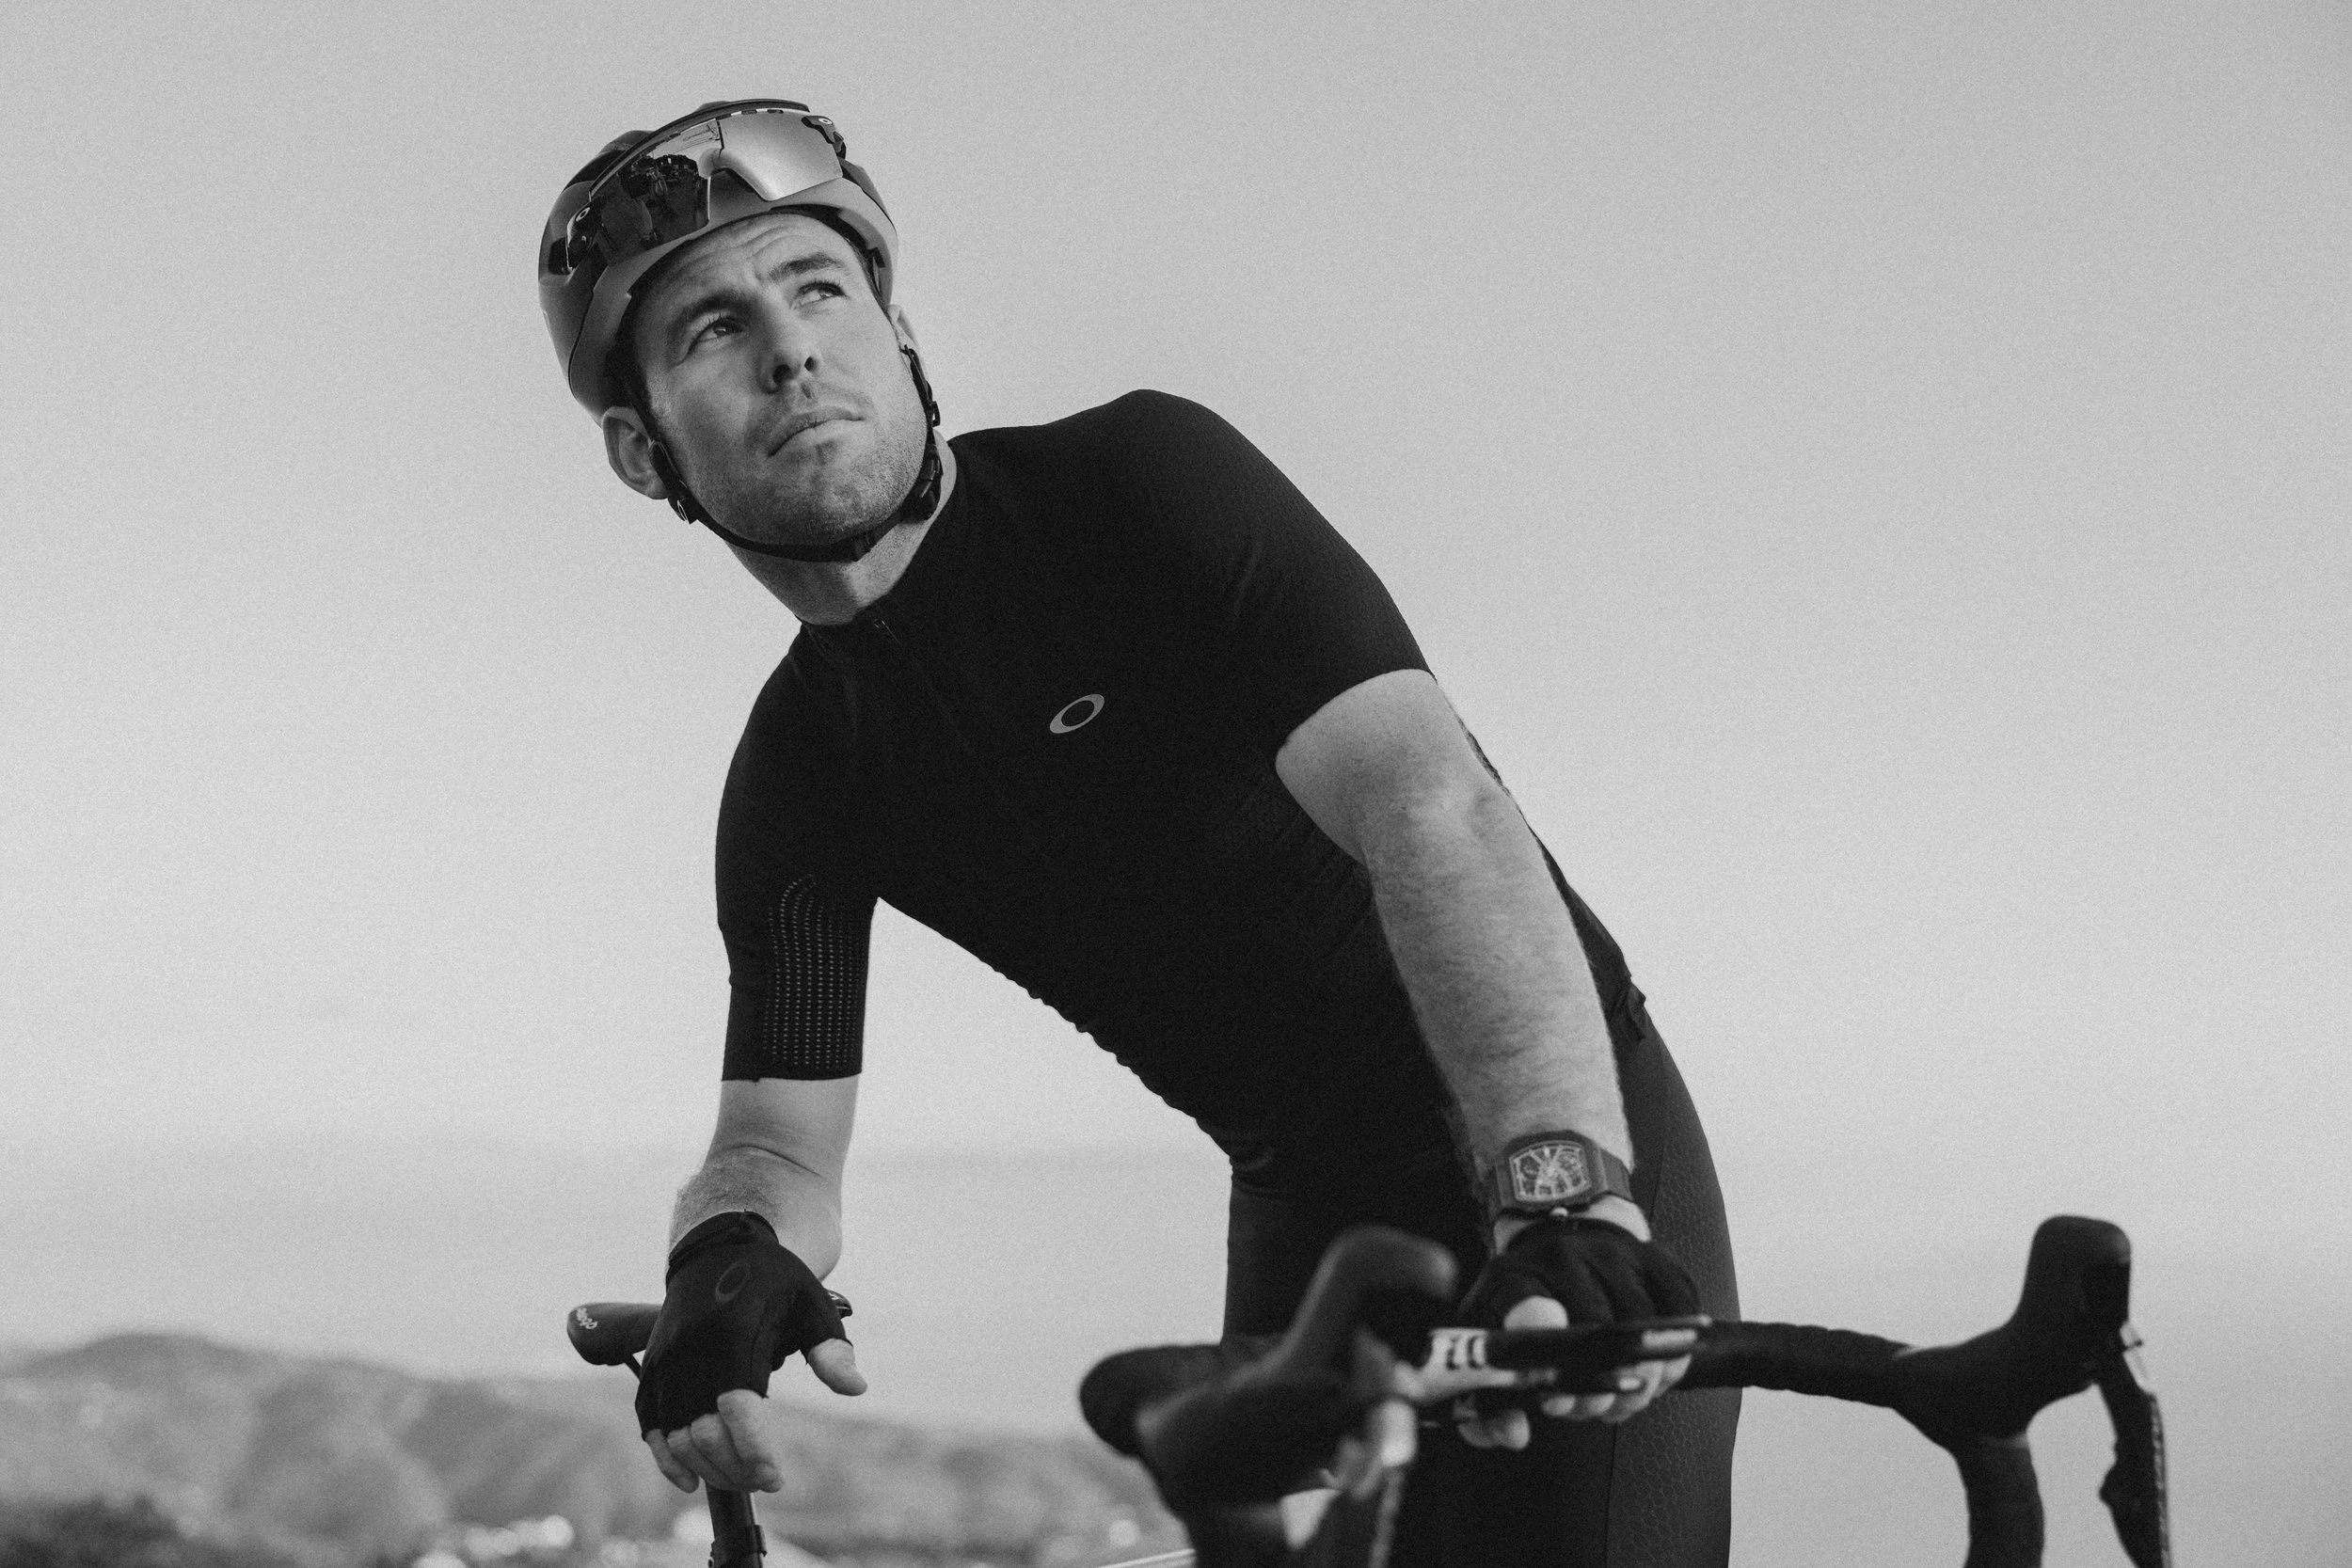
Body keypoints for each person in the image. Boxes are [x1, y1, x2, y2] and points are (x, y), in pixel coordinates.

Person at [537, 99, 1740, 1567]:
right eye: (712, 332)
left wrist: (1563, 1191)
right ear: (643, 450)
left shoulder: (1133, 491)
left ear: (897, 330)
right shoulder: (803, 770)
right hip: (1302, 1200)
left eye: (818, 288)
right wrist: (725, 1259)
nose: (791, 347)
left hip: (1559, 1129)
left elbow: (1430, 803)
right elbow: (777, 1140)